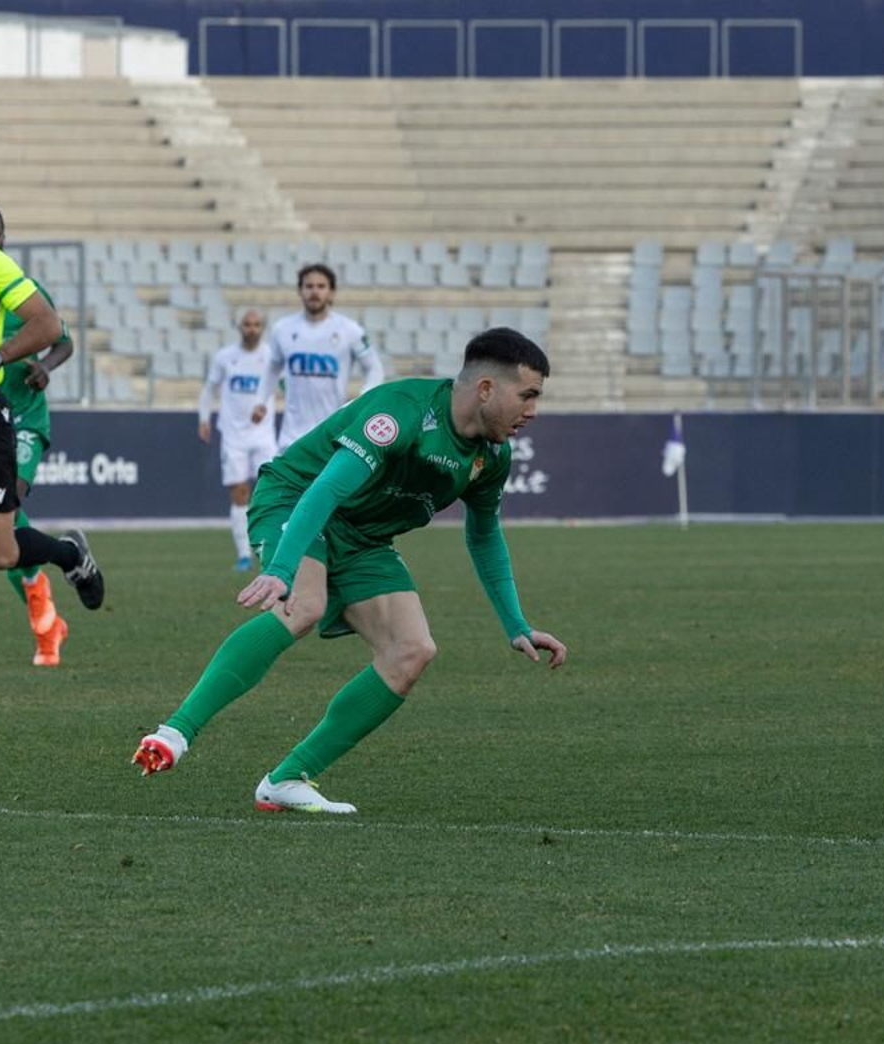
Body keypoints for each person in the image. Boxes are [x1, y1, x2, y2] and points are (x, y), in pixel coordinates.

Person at [132, 327, 567, 814]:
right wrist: (281, 567)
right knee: (305, 605)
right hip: (295, 500)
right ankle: (175, 732)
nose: (532, 411)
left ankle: (287, 779)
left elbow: (484, 535)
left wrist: (516, 625)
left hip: (363, 537)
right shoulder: (401, 410)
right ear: (486, 388)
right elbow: (327, 490)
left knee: (413, 651)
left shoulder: (492, 457)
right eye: (527, 395)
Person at [0, 216, 103, 619]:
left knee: (6, 530)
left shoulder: (11, 281)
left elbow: (58, 336)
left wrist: (36, 366)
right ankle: (54, 575)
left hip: (16, 415)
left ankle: (59, 564)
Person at [254, 263, 384, 454]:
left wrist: (362, 400)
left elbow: (375, 369)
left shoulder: (349, 330)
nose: (315, 291)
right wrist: (260, 400)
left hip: (332, 434)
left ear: (331, 292)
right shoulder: (282, 329)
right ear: (300, 291)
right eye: (309, 286)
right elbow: (272, 368)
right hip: (292, 437)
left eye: (321, 286)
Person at [200, 308, 278, 570]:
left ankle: (272, 550)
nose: (252, 328)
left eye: (257, 324)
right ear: (239, 326)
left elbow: (289, 386)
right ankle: (244, 555)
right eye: (247, 324)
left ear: (263, 327)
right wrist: (203, 418)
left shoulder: (271, 356)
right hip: (234, 435)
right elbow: (209, 388)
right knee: (239, 493)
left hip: (264, 435)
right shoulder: (226, 357)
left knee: (272, 492)